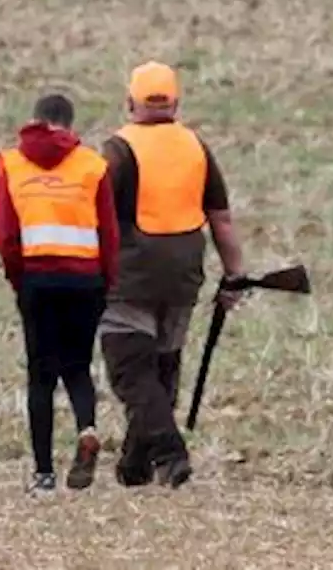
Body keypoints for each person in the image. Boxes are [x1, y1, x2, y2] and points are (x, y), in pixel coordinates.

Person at [98, 61, 247, 489]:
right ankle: (134, 466)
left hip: (130, 278)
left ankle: (170, 452)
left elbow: (97, 217)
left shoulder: (117, 150)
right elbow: (221, 219)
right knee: (162, 369)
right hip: (185, 275)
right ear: (176, 103)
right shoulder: (195, 146)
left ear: (130, 103)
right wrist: (235, 275)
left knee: (131, 372)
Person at [0, 93, 120, 493]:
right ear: (70, 123)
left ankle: (44, 475)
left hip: (36, 279)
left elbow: (5, 235)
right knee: (78, 367)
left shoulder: (11, 164)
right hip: (85, 280)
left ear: (35, 120)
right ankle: (87, 427)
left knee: (41, 376)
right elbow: (109, 235)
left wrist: (18, 280)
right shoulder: (93, 166)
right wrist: (106, 283)